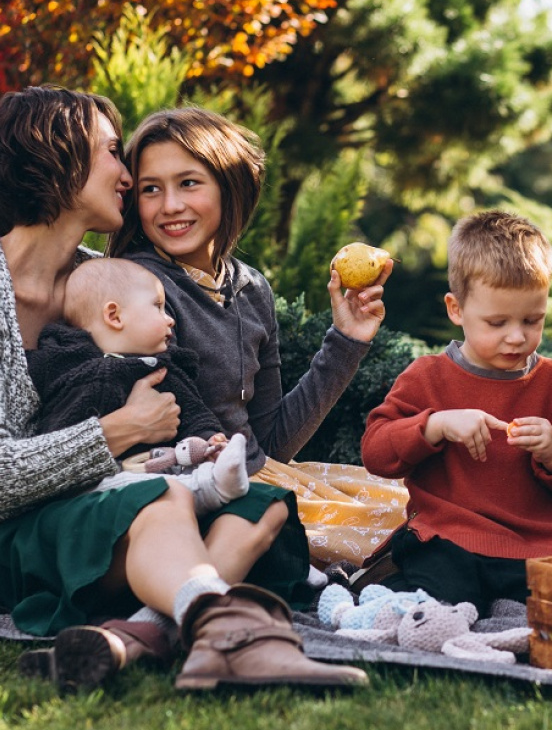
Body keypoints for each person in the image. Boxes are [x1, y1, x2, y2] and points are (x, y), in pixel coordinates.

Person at [0, 85, 367, 693]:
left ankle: (139, 636)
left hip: (75, 511)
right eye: (113, 153)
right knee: (159, 501)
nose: (126, 173)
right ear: (56, 158)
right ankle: (226, 632)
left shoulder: (102, 282)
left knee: (264, 504)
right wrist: (121, 431)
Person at [107, 107, 408, 570]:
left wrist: (347, 340)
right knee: (394, 537)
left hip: (260, 471)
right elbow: (181, 432)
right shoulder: (138, 288)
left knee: (415, 506)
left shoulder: (250, 289)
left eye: (189, 183)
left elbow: (271, 440)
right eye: (151, 189)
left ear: (230, 188)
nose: (169, 206)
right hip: (195, 488)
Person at [360, 210, 552, 616]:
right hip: (450, 537)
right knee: (443, 599)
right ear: (456, 309)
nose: (516, 336)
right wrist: (435, 425)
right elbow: (376, 453)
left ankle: (504, 614)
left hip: (540, 545)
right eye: (497, 322)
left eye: (532, 320)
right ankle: (393, 589)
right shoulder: (428, 377)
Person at [27, 256, 250, 514]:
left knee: (172, 488)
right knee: (159, 491)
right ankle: (211, 489)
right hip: (86, 488)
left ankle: (213, 481)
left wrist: (210, 440)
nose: (170, 319)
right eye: (157, 307)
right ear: (114, 316)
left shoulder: (164, 370)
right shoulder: (63, 362)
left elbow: (195, 413)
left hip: (158, 471)